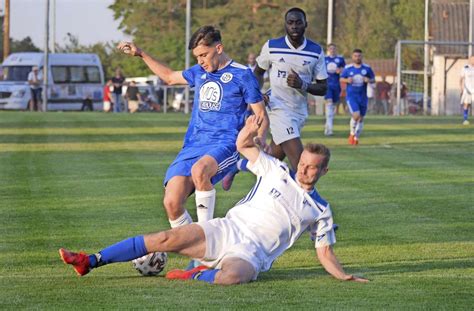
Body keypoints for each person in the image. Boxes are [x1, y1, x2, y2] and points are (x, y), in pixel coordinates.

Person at [59, 115, 369, 285]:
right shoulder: (275, 169)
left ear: (323, 171)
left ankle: (197, 273)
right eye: (302, 163)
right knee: (165, 237)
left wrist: (343, 275)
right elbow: (243, 146)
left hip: (252, 252)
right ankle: (90, 261)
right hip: (226, 229)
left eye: (312, 167)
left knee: (234, 277)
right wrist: (250, 129)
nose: (304, 170)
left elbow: (324, 251)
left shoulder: (321, 209)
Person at [116, 26, 268, 229]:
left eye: (204, 55)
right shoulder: (199, 72)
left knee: (200, 171)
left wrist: (259, 142)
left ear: (219, 48)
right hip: (193, 145)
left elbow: (261, 115)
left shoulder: (243, 75)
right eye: (197, 57)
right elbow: (169, 77)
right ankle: (196, 251)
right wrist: (141, 53)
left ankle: (207, 242)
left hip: (225, 144)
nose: (200, 62)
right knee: (171, 203)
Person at [222, 7, 328, 191]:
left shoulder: (315, 51)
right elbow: (257, 73)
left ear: (306, 25)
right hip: (277, 107)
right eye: (290, 22)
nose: (294, 26)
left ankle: (237, 166)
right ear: (285, 25)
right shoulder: (272, 46)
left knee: (270, 159)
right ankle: (316, 214)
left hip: (299, 111)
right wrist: (257, 93)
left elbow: (323, 88)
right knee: (301, 166)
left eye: (298, 22)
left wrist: (302, 84)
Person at [340, 49, 375, 145]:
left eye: (359, 56)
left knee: (361, 118)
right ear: (352, 57)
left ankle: (356, 137)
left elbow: (373, 79)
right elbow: (341, 78)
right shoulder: (348, 68)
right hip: (352, 96)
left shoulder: (367, 68)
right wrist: (347, 80)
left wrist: (368, 80)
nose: (357, 57)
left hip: (363, 96)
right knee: (356, 115)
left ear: (362, 57)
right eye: (355, 56)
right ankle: (352, 134)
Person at [324, 43, 345, 136]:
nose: (332, 50)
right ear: (328, 49)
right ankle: (329, 129)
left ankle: (328, 125)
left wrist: (340, 71)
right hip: (327, 85)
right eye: (330, 48)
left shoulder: (340, 59)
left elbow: (344, 70)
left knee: (333, 106)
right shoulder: (324, 59)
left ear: (336, 49)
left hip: (336, 85)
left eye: (334, 48)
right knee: (329, 103)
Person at [460, 55, 474, 125]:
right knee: (466, 104)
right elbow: (461, 78)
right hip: (467, 89)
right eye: (472, 59)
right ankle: (465, 119)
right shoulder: (465, 68)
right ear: (469, 60)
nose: (473, 61)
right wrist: (461, 88)